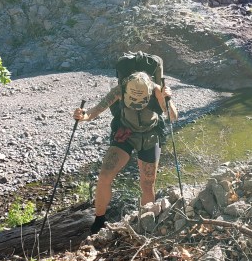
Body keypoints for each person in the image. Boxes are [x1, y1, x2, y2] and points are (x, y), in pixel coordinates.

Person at [73, 71, 178, 234]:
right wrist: (83, 116)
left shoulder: (157, 90)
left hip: (150, 136)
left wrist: (167, 99)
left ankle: (146, 221)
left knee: (147, 183)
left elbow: (172, 117)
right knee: (105, 176)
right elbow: (97, 110)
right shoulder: (119, 90)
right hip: (125, 133)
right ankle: (99, 220)